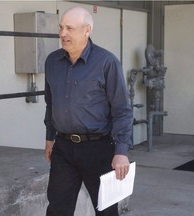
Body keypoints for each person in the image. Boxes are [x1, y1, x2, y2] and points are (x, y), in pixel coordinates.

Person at [44, 6, 133, 216]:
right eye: (61, 27)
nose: (62, 33)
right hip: (64, 148)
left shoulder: (106, 62)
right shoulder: (52, 62)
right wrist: (50, 138)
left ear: (87, 30)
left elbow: (122, 110)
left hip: (99, 149)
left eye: (70, 28)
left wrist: (121, 152)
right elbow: (51, 103)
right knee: (57, 209)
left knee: (105, 210)